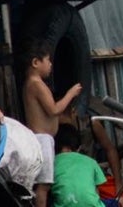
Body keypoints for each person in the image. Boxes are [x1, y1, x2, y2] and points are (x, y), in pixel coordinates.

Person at [21, 38, 83, 207]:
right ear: (36, 62)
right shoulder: (36, 84)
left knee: (42, 186)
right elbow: (54, 110)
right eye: (48, 60)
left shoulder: (32, 84)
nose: (50, 65)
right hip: (42, 139)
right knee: (43, 186)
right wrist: (70, 94)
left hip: (41, 139)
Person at [51, 123, 105, 207]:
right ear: (78, 147)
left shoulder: (52, 164)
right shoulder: (90, 161)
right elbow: (96, 193)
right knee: (121, 201)